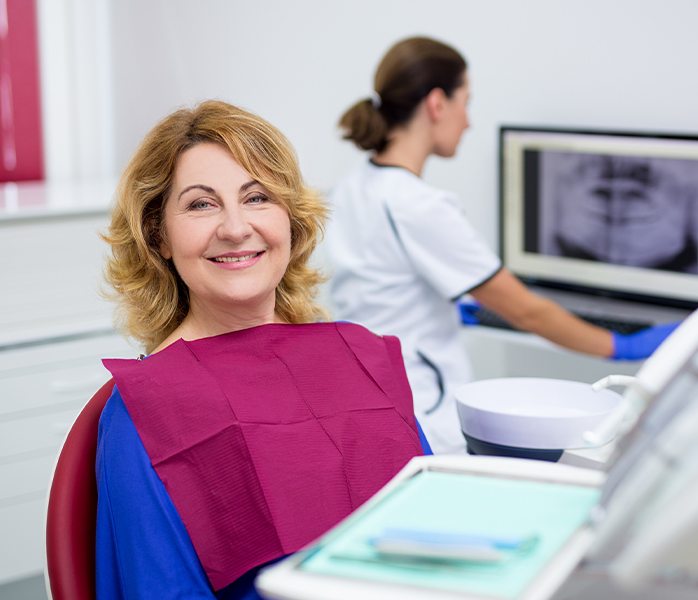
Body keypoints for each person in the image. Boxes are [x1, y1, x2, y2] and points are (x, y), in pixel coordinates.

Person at [96, 100, 430, 599]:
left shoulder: (360, 359)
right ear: (157, 235)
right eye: (201, 204)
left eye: (257, 198)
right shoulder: (145, 412)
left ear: (291, 223)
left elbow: (436, 529)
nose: (234, 227)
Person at [324, 36, 679, 454]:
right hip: (424, 409)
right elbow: (527, 311)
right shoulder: (419, 206)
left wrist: (442, 306)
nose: (469, 121)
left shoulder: (354, 184)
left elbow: (379, 284)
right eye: (466, 102)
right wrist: (620, 346)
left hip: (373, 399)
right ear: (437, 104)